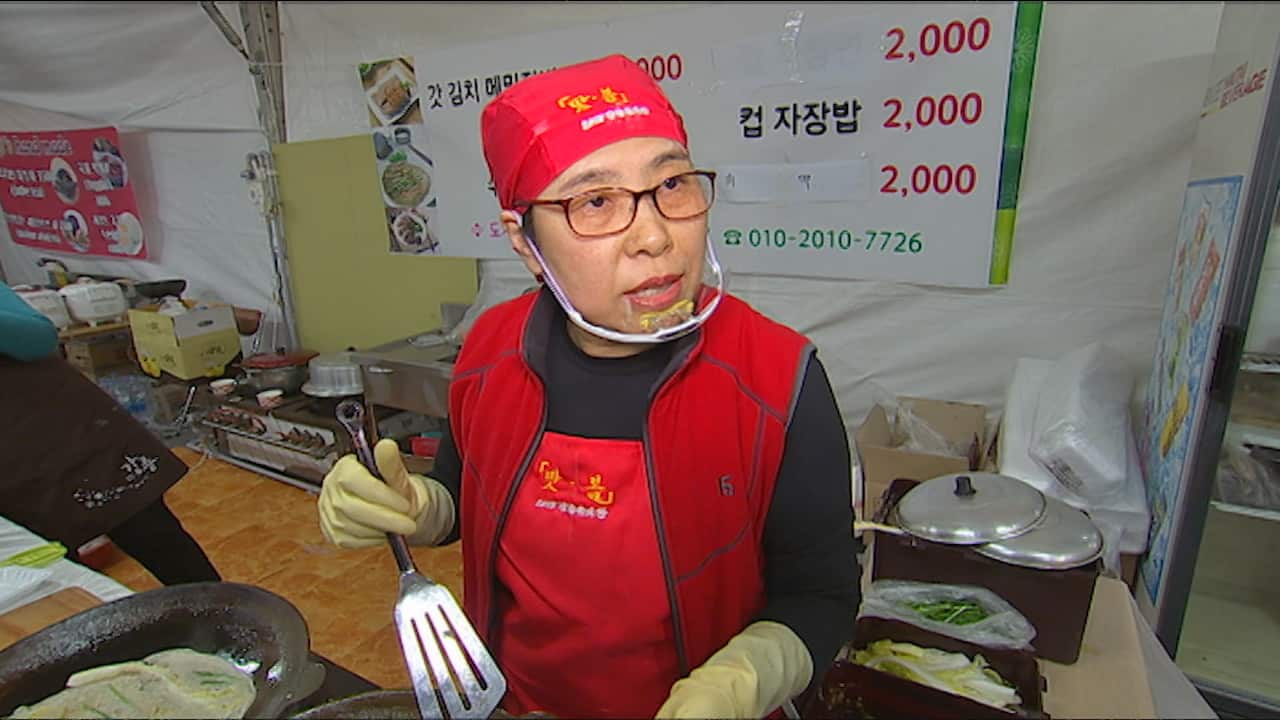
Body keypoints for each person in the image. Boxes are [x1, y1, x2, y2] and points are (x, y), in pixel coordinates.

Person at [318, 54, 860, 719]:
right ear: (524, 242)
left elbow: (823, 596)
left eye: (673, 185)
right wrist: (417, 507)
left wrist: (747, 677)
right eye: (596, 202)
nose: (656, 236)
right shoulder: (491, 350)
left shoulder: (779, 378)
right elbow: (466, 497)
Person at [0, 282, 221, 586]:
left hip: (64, 432)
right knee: (52, 579)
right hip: (10, 473)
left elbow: (38, 339)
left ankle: (226, 619)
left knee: (159, 540)